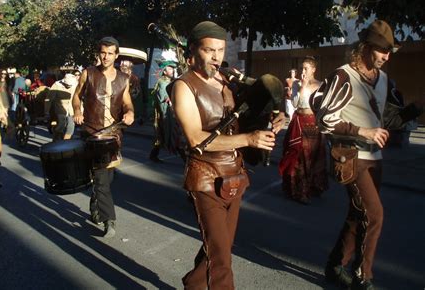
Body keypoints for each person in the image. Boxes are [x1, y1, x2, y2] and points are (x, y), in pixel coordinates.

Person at [170, 21, 285, 289]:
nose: (216, 57)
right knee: (221, 258)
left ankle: (194, 285)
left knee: (219, 246)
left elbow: (250, 114)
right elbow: (196, 139)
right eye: (209, 50)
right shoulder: (183, 87)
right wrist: (249, 139)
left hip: (234, 174)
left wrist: (274, 117)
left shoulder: (228, 80)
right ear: (193, 52)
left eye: (220, 50)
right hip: (206, 178)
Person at [310, 20, 423, 289]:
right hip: (350, 158)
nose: (387, 56)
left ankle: (335, 265)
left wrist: (415, 109)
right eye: (383, 50)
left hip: (375, 160)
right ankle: (364, 275)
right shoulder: (343, 76)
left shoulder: (384, 80)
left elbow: (390, 121)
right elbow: (324, 119)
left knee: (357, 214)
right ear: (366, 47)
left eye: (390, 50)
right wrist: (363, 131)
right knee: (374, 215)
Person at [73, 36, 134, 237]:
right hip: (92, 133)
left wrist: (130, 113)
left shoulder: (124, 80)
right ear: (99, 53)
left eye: (110, 53)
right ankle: (110, 220)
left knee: (108, 177)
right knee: (101, 179)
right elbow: (77, 96)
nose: (106, 56)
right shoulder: (88, 74)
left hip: (114, 134)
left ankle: (95, 206)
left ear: (116, 55)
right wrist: (77, 111)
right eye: (103, 52)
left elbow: (127, 103)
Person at [279, 57, 328, 205]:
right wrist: (302, 87)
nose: (303, 71)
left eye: (306, 68)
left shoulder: (321, 85)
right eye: (302, 68)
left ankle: (313, 186)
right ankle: (298, 190)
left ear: (314, 69)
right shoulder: (297, 84)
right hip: (299, 120)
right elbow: (294, 103)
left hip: (313, 122)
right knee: (297, 153)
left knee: (313, 155)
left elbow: (324, 107)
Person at [149, 59, 183, 162]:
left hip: (169, 114)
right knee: (172, 135)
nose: (172, 70)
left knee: (163, 136)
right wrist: (167, 117)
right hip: (166, 114)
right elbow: (163, 102)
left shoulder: (169, 82)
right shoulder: (163, 84)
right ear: (164, 71)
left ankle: (153, 155)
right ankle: (185, 160)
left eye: (173, 68)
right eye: (170, 68)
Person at [45, 73, 78, 141]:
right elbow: (49, 99)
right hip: (59, 108)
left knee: (71, 126)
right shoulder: (56, 85)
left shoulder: (75, 85)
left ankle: (66, 142)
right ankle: (56, 140)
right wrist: (46, 111)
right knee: (61, 124)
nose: (69, 86)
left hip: (71, 109)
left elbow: (78, 98)